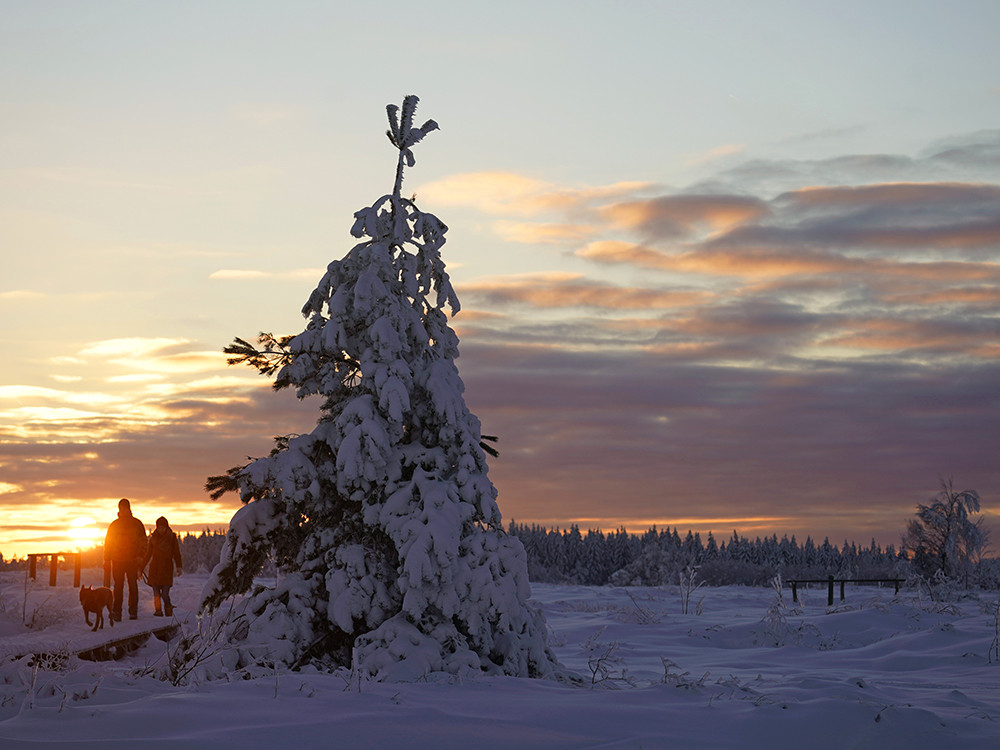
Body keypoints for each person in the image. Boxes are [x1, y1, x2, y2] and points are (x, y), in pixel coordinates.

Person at [104, 498, 147, 621]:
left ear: (129, 508)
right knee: (118, 587)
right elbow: (108, 543)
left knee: (133, 586)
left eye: (125, 507)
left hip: (132, 560)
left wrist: (140, 557)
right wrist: (106, 559)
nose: (123, 510)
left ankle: (133, 611)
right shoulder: (114, 525)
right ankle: (117, 612)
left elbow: (143, 542)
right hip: (117, 560)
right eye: (121, 508)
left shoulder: (137, 524)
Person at [142, 516, 183, 617]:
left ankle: (168, 608)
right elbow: (148, 554)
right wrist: (141, 568)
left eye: (163, 527)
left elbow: (176, 553)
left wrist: (179, 566)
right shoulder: (153, 539)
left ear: (166, 527)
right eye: (159, 527)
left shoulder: (172, 538)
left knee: (165, 593)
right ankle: (158, 611)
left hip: (166, 568)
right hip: (155, 568)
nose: (161, 530)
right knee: (156, 593)